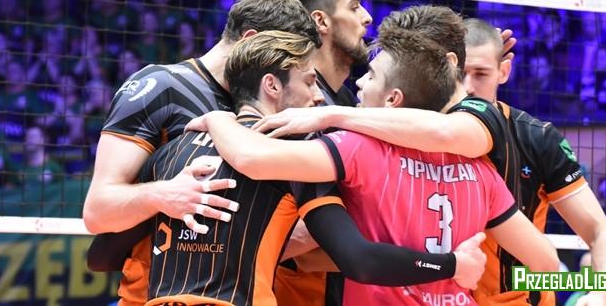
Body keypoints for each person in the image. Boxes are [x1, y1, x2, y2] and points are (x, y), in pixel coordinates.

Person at [246, 9, 606, 305]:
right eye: (464, 73)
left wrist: (600, 294)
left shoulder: (498, 129)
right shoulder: (469, 168)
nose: (469, 86)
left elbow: (593, 239)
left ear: (503, 71)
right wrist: (441, 263)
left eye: (481, 73)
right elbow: (545, 259)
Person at [91, 31, 488, 306]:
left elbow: (101, 255)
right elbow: (360, 260)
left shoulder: (169, 154)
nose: (318, 97)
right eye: (310, 82)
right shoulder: (298, 158)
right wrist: (452, 264)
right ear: (272, 86)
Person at [83, 0, 322, 306]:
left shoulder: (265, 106)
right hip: (151, 297)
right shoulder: (162, 87)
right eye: (285, 55)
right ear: (250, 39)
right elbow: (97, 210)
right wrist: (163, 194)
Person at [277, 0, 373, 305]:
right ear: (321, 21)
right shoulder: (294, 104)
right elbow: (291, 238)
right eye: (354, 6)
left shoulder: (345, 101)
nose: (367, 17)